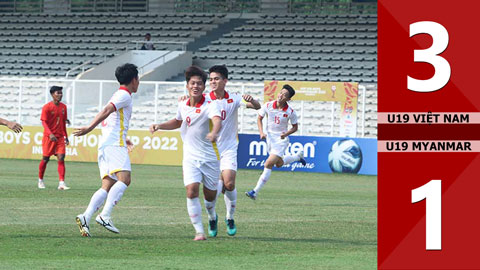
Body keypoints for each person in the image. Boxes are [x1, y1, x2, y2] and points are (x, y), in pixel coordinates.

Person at [150, 65, 222, 241]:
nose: (195, 86)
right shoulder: (182, 104)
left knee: (210, 197)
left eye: (199, 83)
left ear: (204, 87)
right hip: (190, 157)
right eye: (192, 83)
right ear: (187, 85)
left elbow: (217, 120)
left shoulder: (210, 105)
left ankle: (212, 216)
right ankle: (199, 231)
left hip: (210, 158)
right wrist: (160, 125)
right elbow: (177, 121)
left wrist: (214, 133)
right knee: (191, 191)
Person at [73, 63, 138, 237]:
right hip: (113, 145)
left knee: (107, 185)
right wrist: (89, 128)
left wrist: (124, 137)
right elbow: (107, 110)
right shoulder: (124, 95)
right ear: (134, 79)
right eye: (138, 79)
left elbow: (113, 120)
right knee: (125, 179)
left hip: (107, 143)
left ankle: (85, 216)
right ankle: (105, 215)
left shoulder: (119, 94)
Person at [204, 65, 261, 237]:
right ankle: (212, 217)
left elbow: (257, 107)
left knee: (229, 184)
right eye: (211, 79)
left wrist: (253, 100)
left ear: (225, 81)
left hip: (229, 147)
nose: (213, 82)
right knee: (214, 188)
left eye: (216, 79)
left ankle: (230, 217)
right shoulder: (205, 99)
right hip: (210, 149)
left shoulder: (235, 98)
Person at [246, 85, 306, 200]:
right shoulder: (268, 105)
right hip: (270, 139)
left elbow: (295, 127)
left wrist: (286, 134)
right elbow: (259, 118)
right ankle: (297, 157)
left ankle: (255, 191)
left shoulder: (290, 112)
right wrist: (261, 132)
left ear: (288, 99)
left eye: (284, 95)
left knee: (268, 164)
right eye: (281, 92)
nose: (281, 95)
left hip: (281, 141)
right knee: (279, 164)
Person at [38, 86, 70, 190]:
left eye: (61, 93)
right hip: (49, 138)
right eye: (58, 93)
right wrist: (50, 134)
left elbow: (63, 123)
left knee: (61, 158)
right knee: (45, 159)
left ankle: (61, 183)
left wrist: (66, 136)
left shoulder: (63, 107)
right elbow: (44, 122)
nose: (60, 95)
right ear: (52, 94)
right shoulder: (47, 107)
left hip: (60, 137)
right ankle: (40, 180)